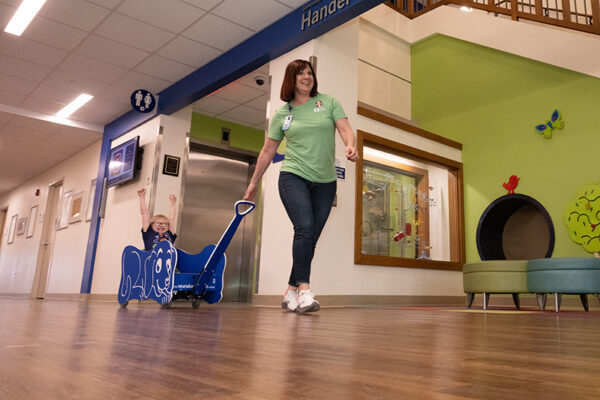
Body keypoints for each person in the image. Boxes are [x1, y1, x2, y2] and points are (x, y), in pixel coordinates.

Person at [243, 59, 358, 314]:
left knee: (310, 237)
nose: (307, 77)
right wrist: (253, 183)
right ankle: (305, 290)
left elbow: (345, 129)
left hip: (326, 182)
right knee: (304, 227)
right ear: (291, 79)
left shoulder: (328, 102)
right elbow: (267, 150)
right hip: (294, 176)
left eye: (310, 72)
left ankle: (290, 291)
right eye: (301, 74)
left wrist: (351, 145)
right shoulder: (283, 114)